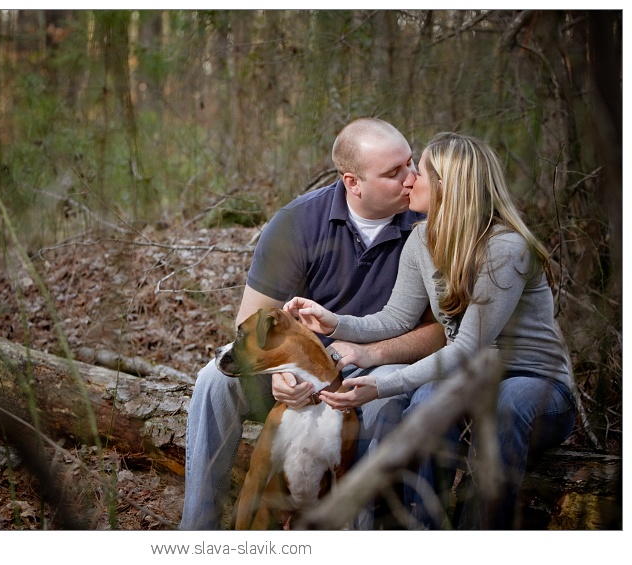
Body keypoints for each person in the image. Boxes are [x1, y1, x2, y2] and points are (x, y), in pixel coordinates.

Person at [285, 132, 577, 529]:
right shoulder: (422, 239)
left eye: (418, 172)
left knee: (504, 405)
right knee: (424, 400)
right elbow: (396, 319)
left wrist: (382, 385)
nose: (409, 180)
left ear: (446, 186)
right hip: (470, 379)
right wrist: (335, 322)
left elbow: (468, 347)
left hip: (535, 384)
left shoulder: (506, 248)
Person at [179, 117, 446, 530]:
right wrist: (276, 377)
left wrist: (368, 354)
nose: (413, 179)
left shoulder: (429, 226)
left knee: (390, 400)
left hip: (375, 367)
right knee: (215, 381)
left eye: (411, 163)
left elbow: (439, 332)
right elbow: (248, 324)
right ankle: (199, 532)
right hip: (297, 369)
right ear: (352, 182)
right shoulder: (297, 223)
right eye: (394, 172)